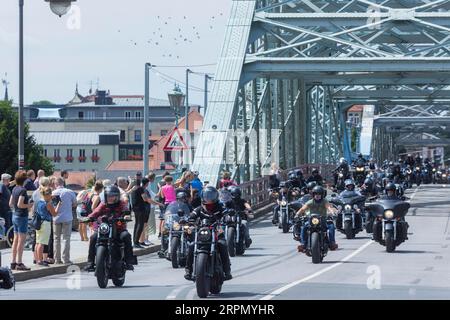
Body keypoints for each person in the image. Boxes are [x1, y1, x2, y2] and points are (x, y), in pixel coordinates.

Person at [184, 186, 232, 281]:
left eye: (211, 196)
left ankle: (227, 271)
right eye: (207, 196)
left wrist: (227, 217)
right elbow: (191, 216)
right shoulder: (199, 209)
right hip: (202, 233)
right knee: (191, 245)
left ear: (215, 196)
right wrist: (188, 221)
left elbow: (226, 213)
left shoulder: (220, 207)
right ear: (203, 197)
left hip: (217, 230)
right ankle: (188, 270)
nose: (209, 198)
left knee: (222, 244)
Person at [84, 186, 135, 272]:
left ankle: (129, 261)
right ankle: (90, 263)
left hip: (119, 229)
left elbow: (125, 209)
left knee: (126, 236)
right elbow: (96, 211)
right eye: (108, 196)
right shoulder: (103, 204)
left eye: (112, 196)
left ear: (117, 196)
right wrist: (89, 217)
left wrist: (126, 216)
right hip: (104, 229)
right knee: (93, 238)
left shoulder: (121, 204)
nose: (110, 198)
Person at [295, 186, 338, 253]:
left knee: (331, 226)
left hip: (322, 220)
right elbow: (303, 209)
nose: (317, 195)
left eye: (319, 194)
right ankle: (303, 244)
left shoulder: (324, 201)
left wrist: (333, 213)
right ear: (313, 194)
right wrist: (297, 214)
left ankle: (332, 243)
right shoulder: (310, 202)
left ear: (322, 195)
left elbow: (329, 207)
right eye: (316, 194)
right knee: (304, 227)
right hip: (311, 220)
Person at [9, 170, 33, 271]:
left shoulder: (14, 189)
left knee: (15, 240)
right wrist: (29, 205)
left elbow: (10, 203)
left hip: (14, 216)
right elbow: (20, 204)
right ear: (24, 179)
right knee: (21, 241)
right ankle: (19, 263)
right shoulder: (23, 190)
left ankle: (13, 262)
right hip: (22, 217)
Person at [52, 177, 77, 264]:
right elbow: (74, 204)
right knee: (66, 238)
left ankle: (57, 259)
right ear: (63, 183)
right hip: (67, 217)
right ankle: (66, 259)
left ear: (55, 184)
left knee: (56, 239)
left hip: (56, 218)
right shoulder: (70, 192)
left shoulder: (53, 193)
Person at [132, 178, 163, 248]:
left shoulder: (134, 189)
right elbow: (146, 199)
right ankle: (136, 242)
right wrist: (158, 203)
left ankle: (138, 241)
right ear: (147, 183)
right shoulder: (140, 189)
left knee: (137, 225)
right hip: (140, 209)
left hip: (136, 209)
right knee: (140, 225)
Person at [35, 187, 61, 266]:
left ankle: (37, 259)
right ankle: (40, 260)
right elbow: (54, 214)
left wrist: (50, 199)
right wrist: (59, 205)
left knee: (38, 242)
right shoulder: (48, 204)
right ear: (49, 194)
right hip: (45, 223)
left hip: (39, 223)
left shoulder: (39, 201)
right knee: (42, 243)